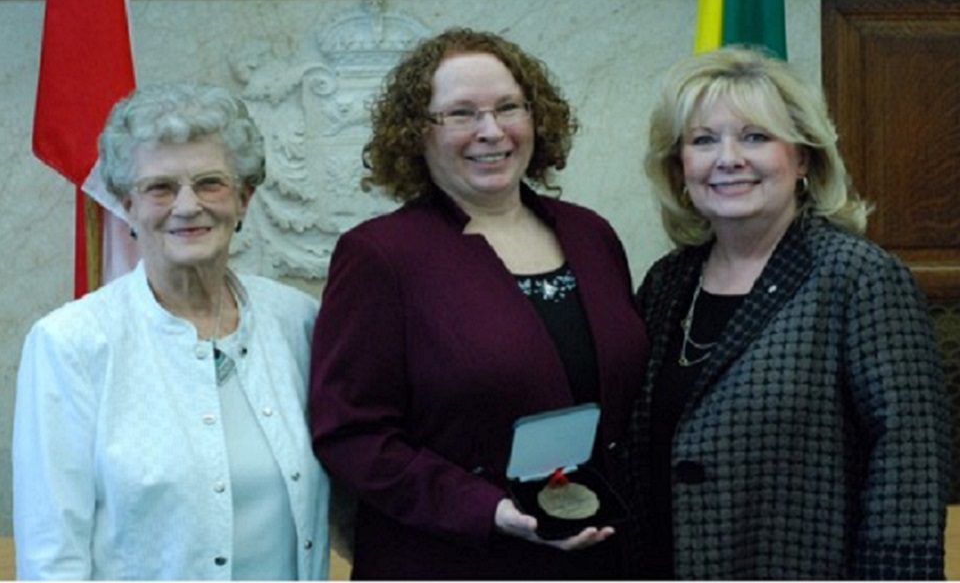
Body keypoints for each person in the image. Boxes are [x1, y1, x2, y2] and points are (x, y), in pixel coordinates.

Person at [309, 28, 649, 580]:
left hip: (598, 556)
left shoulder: (592, 236)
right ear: (416, 133)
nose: (491, 131)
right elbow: (352, 435)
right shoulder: (380, 256)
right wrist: (485, 509)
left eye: (508, 108)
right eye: (462, 114)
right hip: (452, 558)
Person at [625, 46, 951, 580]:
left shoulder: (858, 277)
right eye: (704, 140)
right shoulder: (668, 281)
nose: (727, 158)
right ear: (679, 167)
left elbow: (910, 464)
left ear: (802, 159)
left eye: (755, 137)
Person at [12, 82, 330, 580]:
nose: (187, 206)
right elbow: (52, 554)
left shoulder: (297, 321)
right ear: (125, 205)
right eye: (160, 188)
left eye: (210, 183)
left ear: (244, 199)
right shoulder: (70, 343)